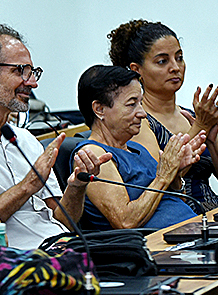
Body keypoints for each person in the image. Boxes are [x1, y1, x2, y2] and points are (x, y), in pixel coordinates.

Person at [0, 25, 110, 249]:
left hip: (64, 248)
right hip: (15, 264)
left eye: (32, 72)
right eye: (20, 71)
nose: (32, 83)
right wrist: (27, 186)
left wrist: (77, 186)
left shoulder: (24, 139)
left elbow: (61, 220)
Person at [107, 19, 218, 210]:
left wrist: (213, 139)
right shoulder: (139, 121)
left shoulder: (192, 116)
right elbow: (159, 181)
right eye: (162, 61)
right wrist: (201, 127)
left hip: (213, 215)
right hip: (177, 224)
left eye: (179, 58)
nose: (175, 67)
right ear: (136, 70)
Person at [72, 66, 202, 230]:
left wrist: (175, 174)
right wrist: (163, 176)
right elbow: (125, 221)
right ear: (99, 109)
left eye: (140, 103)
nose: (143, 113)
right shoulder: (93, 154)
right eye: (132, 104)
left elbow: (170, 203)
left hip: (191, 231)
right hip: (157, 248)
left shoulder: (136, 148)